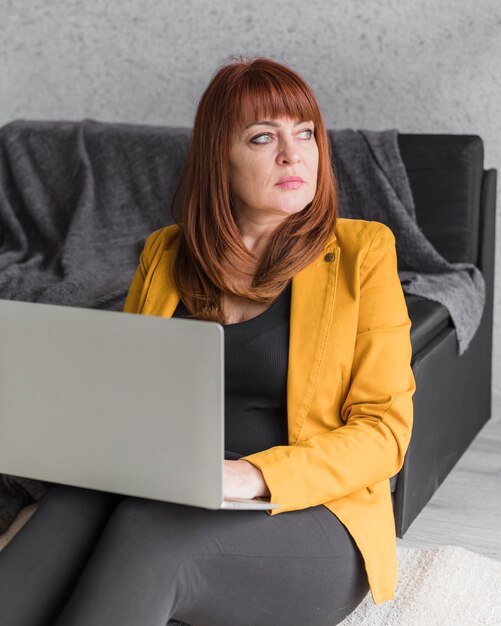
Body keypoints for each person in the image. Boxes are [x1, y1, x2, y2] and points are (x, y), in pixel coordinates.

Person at [0, 56, 415, 626]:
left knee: (150, 535)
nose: (293, 155)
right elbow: (126, 394)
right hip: (170, 483)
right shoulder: (166, 254)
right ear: (219, 156)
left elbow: (384, 433)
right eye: (263, 137)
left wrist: (252, 475)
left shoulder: (363, 252)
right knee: (72, 506)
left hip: (307, 511)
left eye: (306, 134)